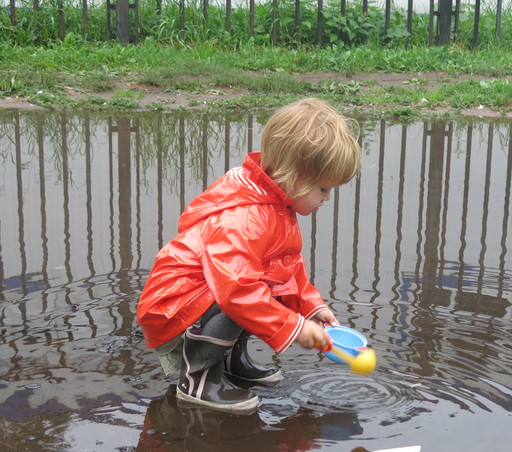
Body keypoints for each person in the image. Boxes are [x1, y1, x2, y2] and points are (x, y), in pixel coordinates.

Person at [136, 98, 361, 414]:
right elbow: (237, 292)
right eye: (323, 189)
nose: (327, 198)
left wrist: (311, 309)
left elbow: (287, 268)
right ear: (292, 175)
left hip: (199, 300)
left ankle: (231, 363)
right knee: (248, 294)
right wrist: (293, 328)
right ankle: (198, 379)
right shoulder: (244, 218)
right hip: (173, 309)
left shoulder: (276, 204)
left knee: (266, 283)